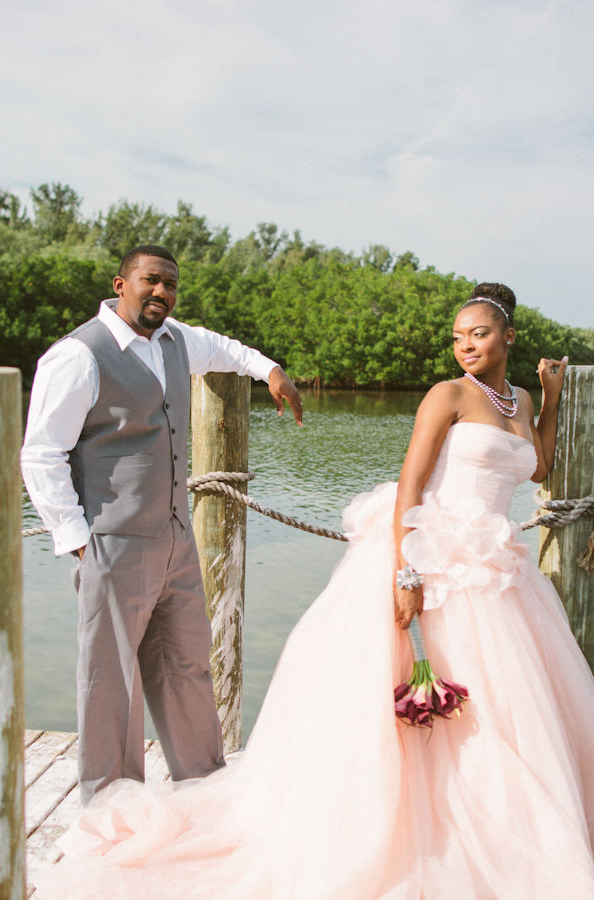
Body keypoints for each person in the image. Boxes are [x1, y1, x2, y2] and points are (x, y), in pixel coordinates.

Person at [35, 283, 594, 900]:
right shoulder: (447, 394)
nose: (465, 346)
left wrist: (549, 396)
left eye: (478, 334)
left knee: (502, 708)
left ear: (507, 337)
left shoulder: (515, 398)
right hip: (434, 556)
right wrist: (408, 572)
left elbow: (537, 465)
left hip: (497, 572)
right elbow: (411, 484)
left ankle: (494, 826)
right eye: (458, 336)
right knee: (416, 709)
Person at [21, 245, 303, 806]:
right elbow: (41, 454)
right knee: (110, 680)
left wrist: (269, 370)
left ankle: (204, 788)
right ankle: (111, 804)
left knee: (186, 664)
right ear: (120, 283)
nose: (162, 293)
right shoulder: (77, 356)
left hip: (176, 539)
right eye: (151, 281)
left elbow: (223, 348)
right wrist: (78, 540)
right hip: (112, 541)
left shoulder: (176, 340)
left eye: (171, 285)